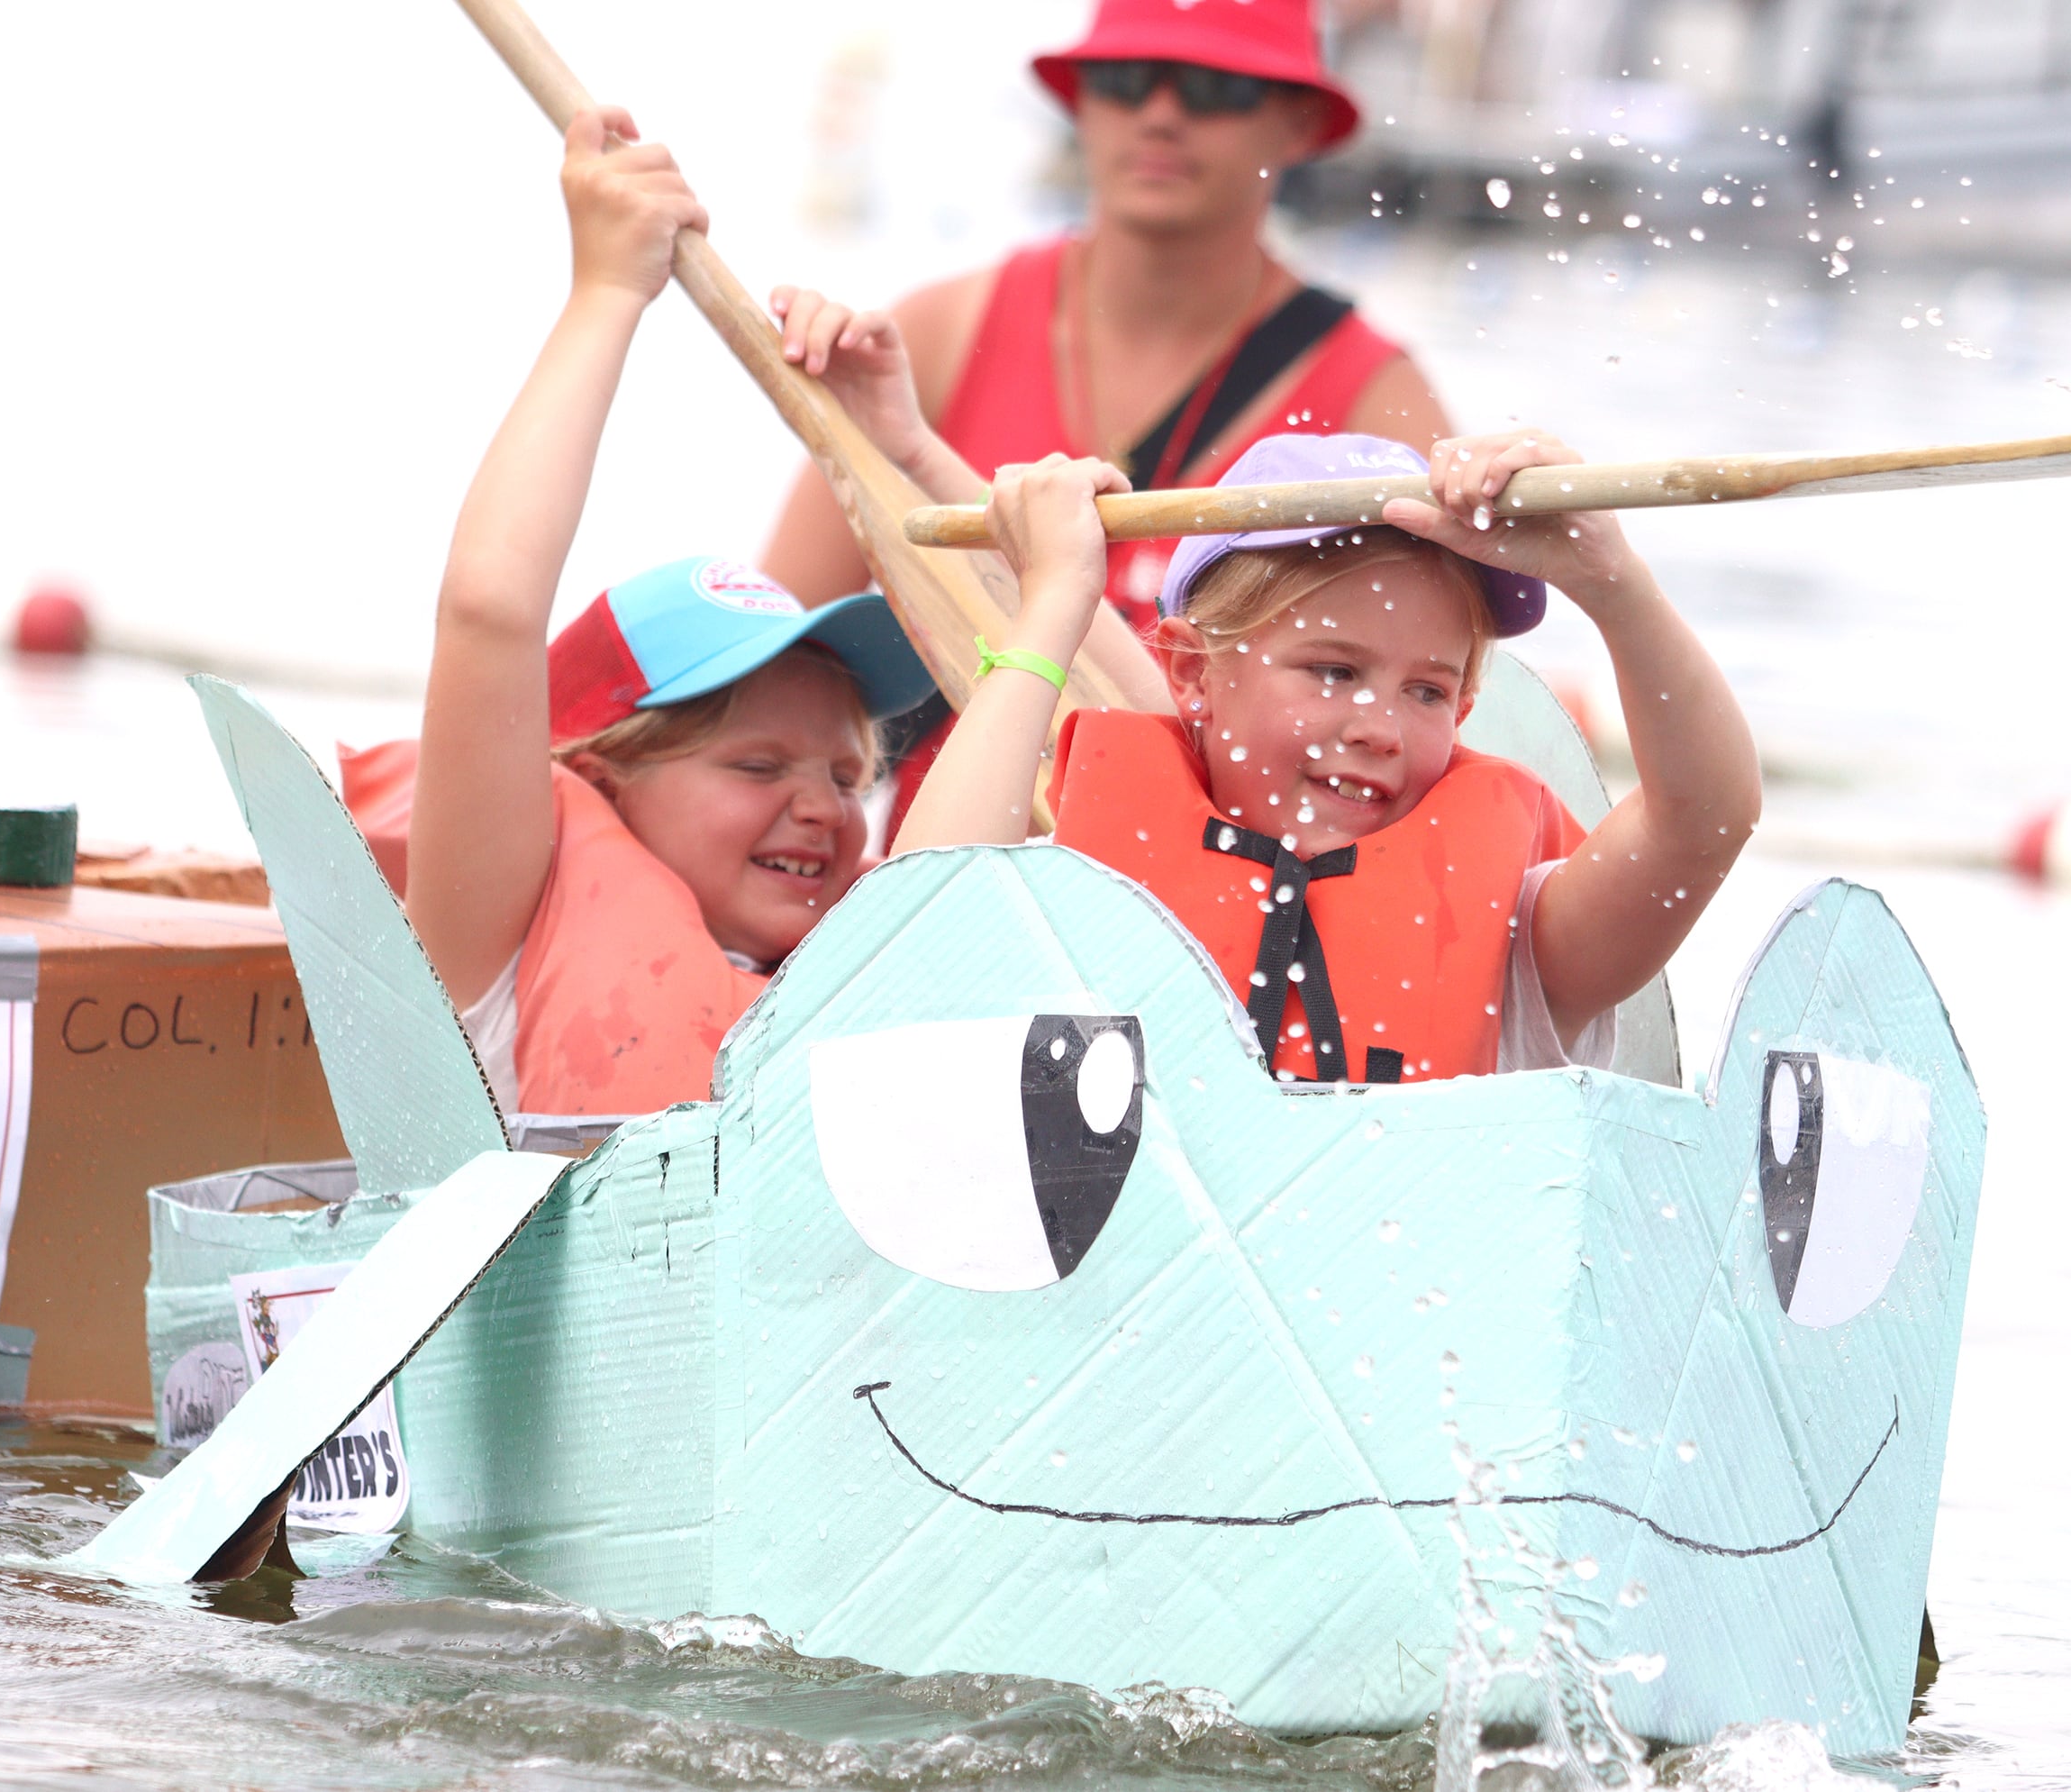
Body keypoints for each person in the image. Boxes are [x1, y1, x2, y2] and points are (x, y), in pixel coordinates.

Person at [342, 107, 932, 1118]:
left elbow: (1053, 704)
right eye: (757, 765)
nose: (824, 808)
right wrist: (608, 292)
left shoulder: (864, 976)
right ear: (606, 781)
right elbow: (489, 609)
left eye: (845, 774)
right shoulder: (494, 945)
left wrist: (901, 452)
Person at [890, 432, 1763, 1083]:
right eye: (1335, 671)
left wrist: (1613, 583)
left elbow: (1705, 822)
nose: (1381, 726)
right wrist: (1057, 601)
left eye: (1427, 692)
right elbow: (906, 928)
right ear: (1191, 670)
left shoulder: (1523, 946)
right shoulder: (1069, 898)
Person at [761, 0, 1451, 631]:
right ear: (1082, 103)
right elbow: (779, 648)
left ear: (1300, 122)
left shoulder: (1374, 398)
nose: (1159, 115)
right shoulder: (934, 337)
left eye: (1215, 87)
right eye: (1123, 79)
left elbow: (1439, 693)